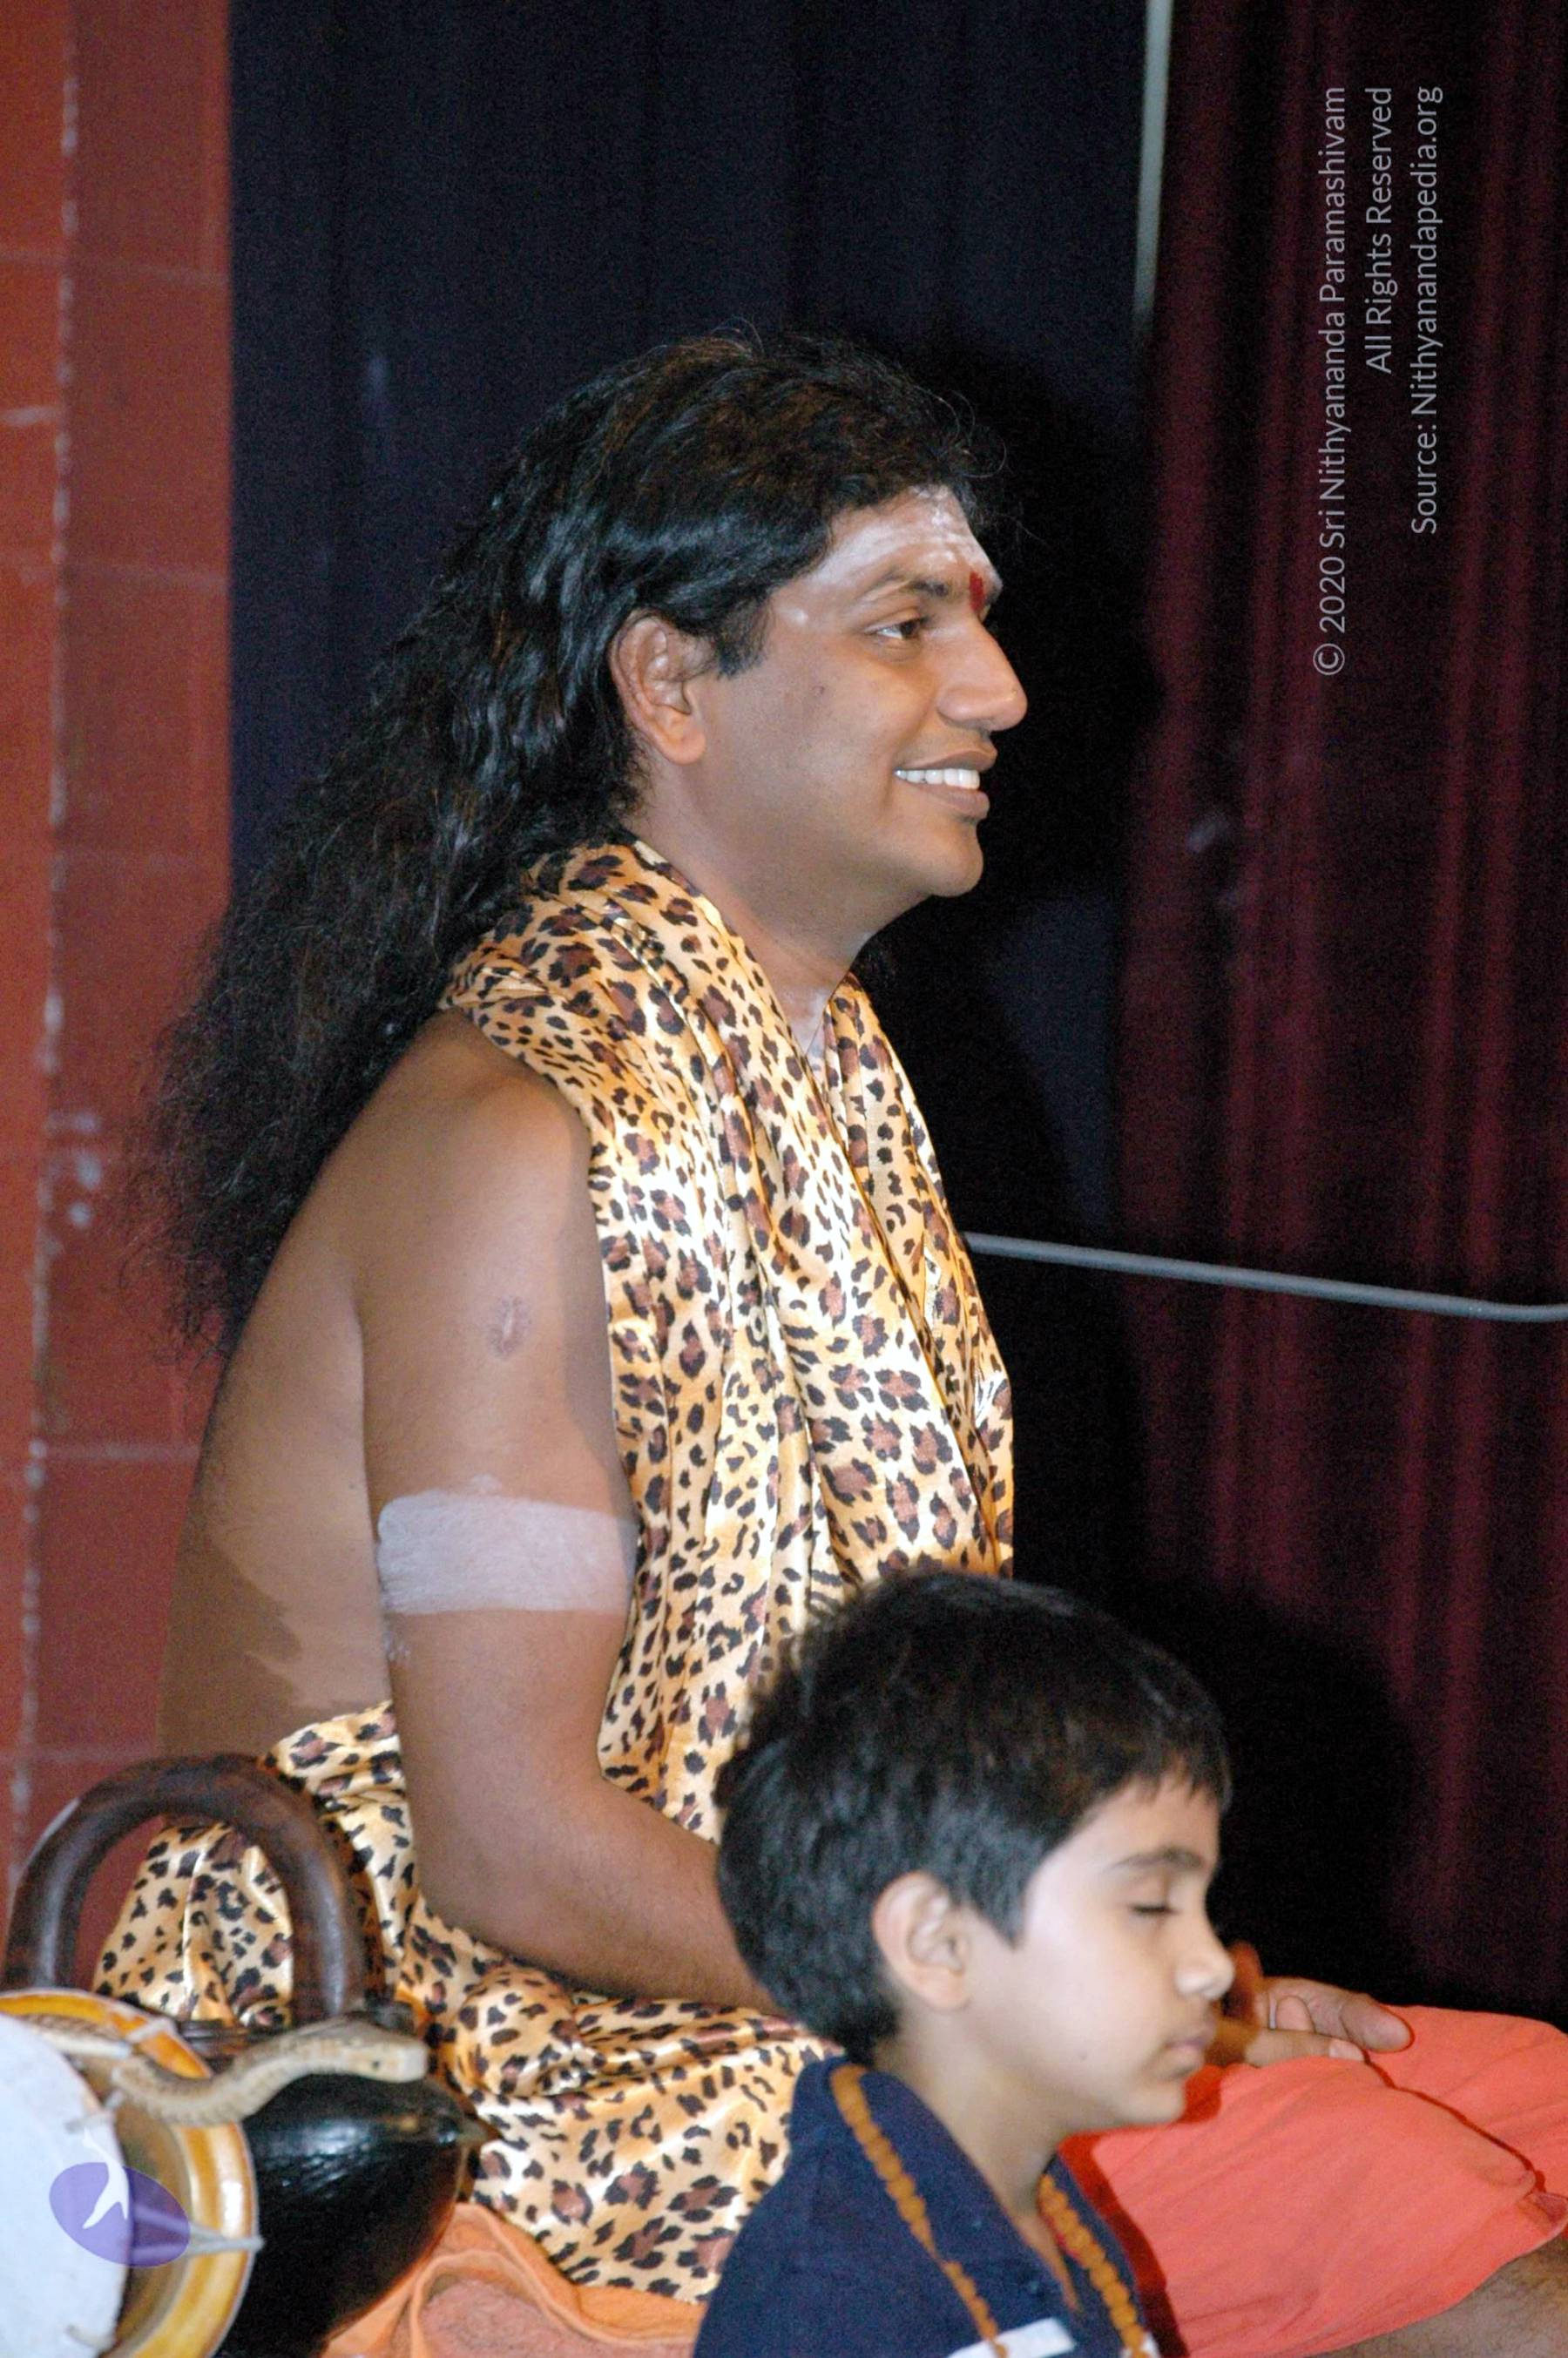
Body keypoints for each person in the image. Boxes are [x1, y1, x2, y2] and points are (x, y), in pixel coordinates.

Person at [97, 331, 1568, 2357]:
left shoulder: (816, 1073)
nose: (1001, 689)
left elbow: (869, 1779)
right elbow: (510, 1846)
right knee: (1468, 2250)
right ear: (672, 683)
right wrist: (1041, 1997)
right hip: (490, 2079)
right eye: (903, 623)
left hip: (797, 2004)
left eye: (978, 618)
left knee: (1531, 2104)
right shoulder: (515, 1135)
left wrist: (1160, 1979)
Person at [697, 1570, 1233, 2358]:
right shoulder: (828, 2300)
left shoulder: (1047, 2219)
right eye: (1151, 1903)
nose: (1213, 1966)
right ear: (936, 1942)